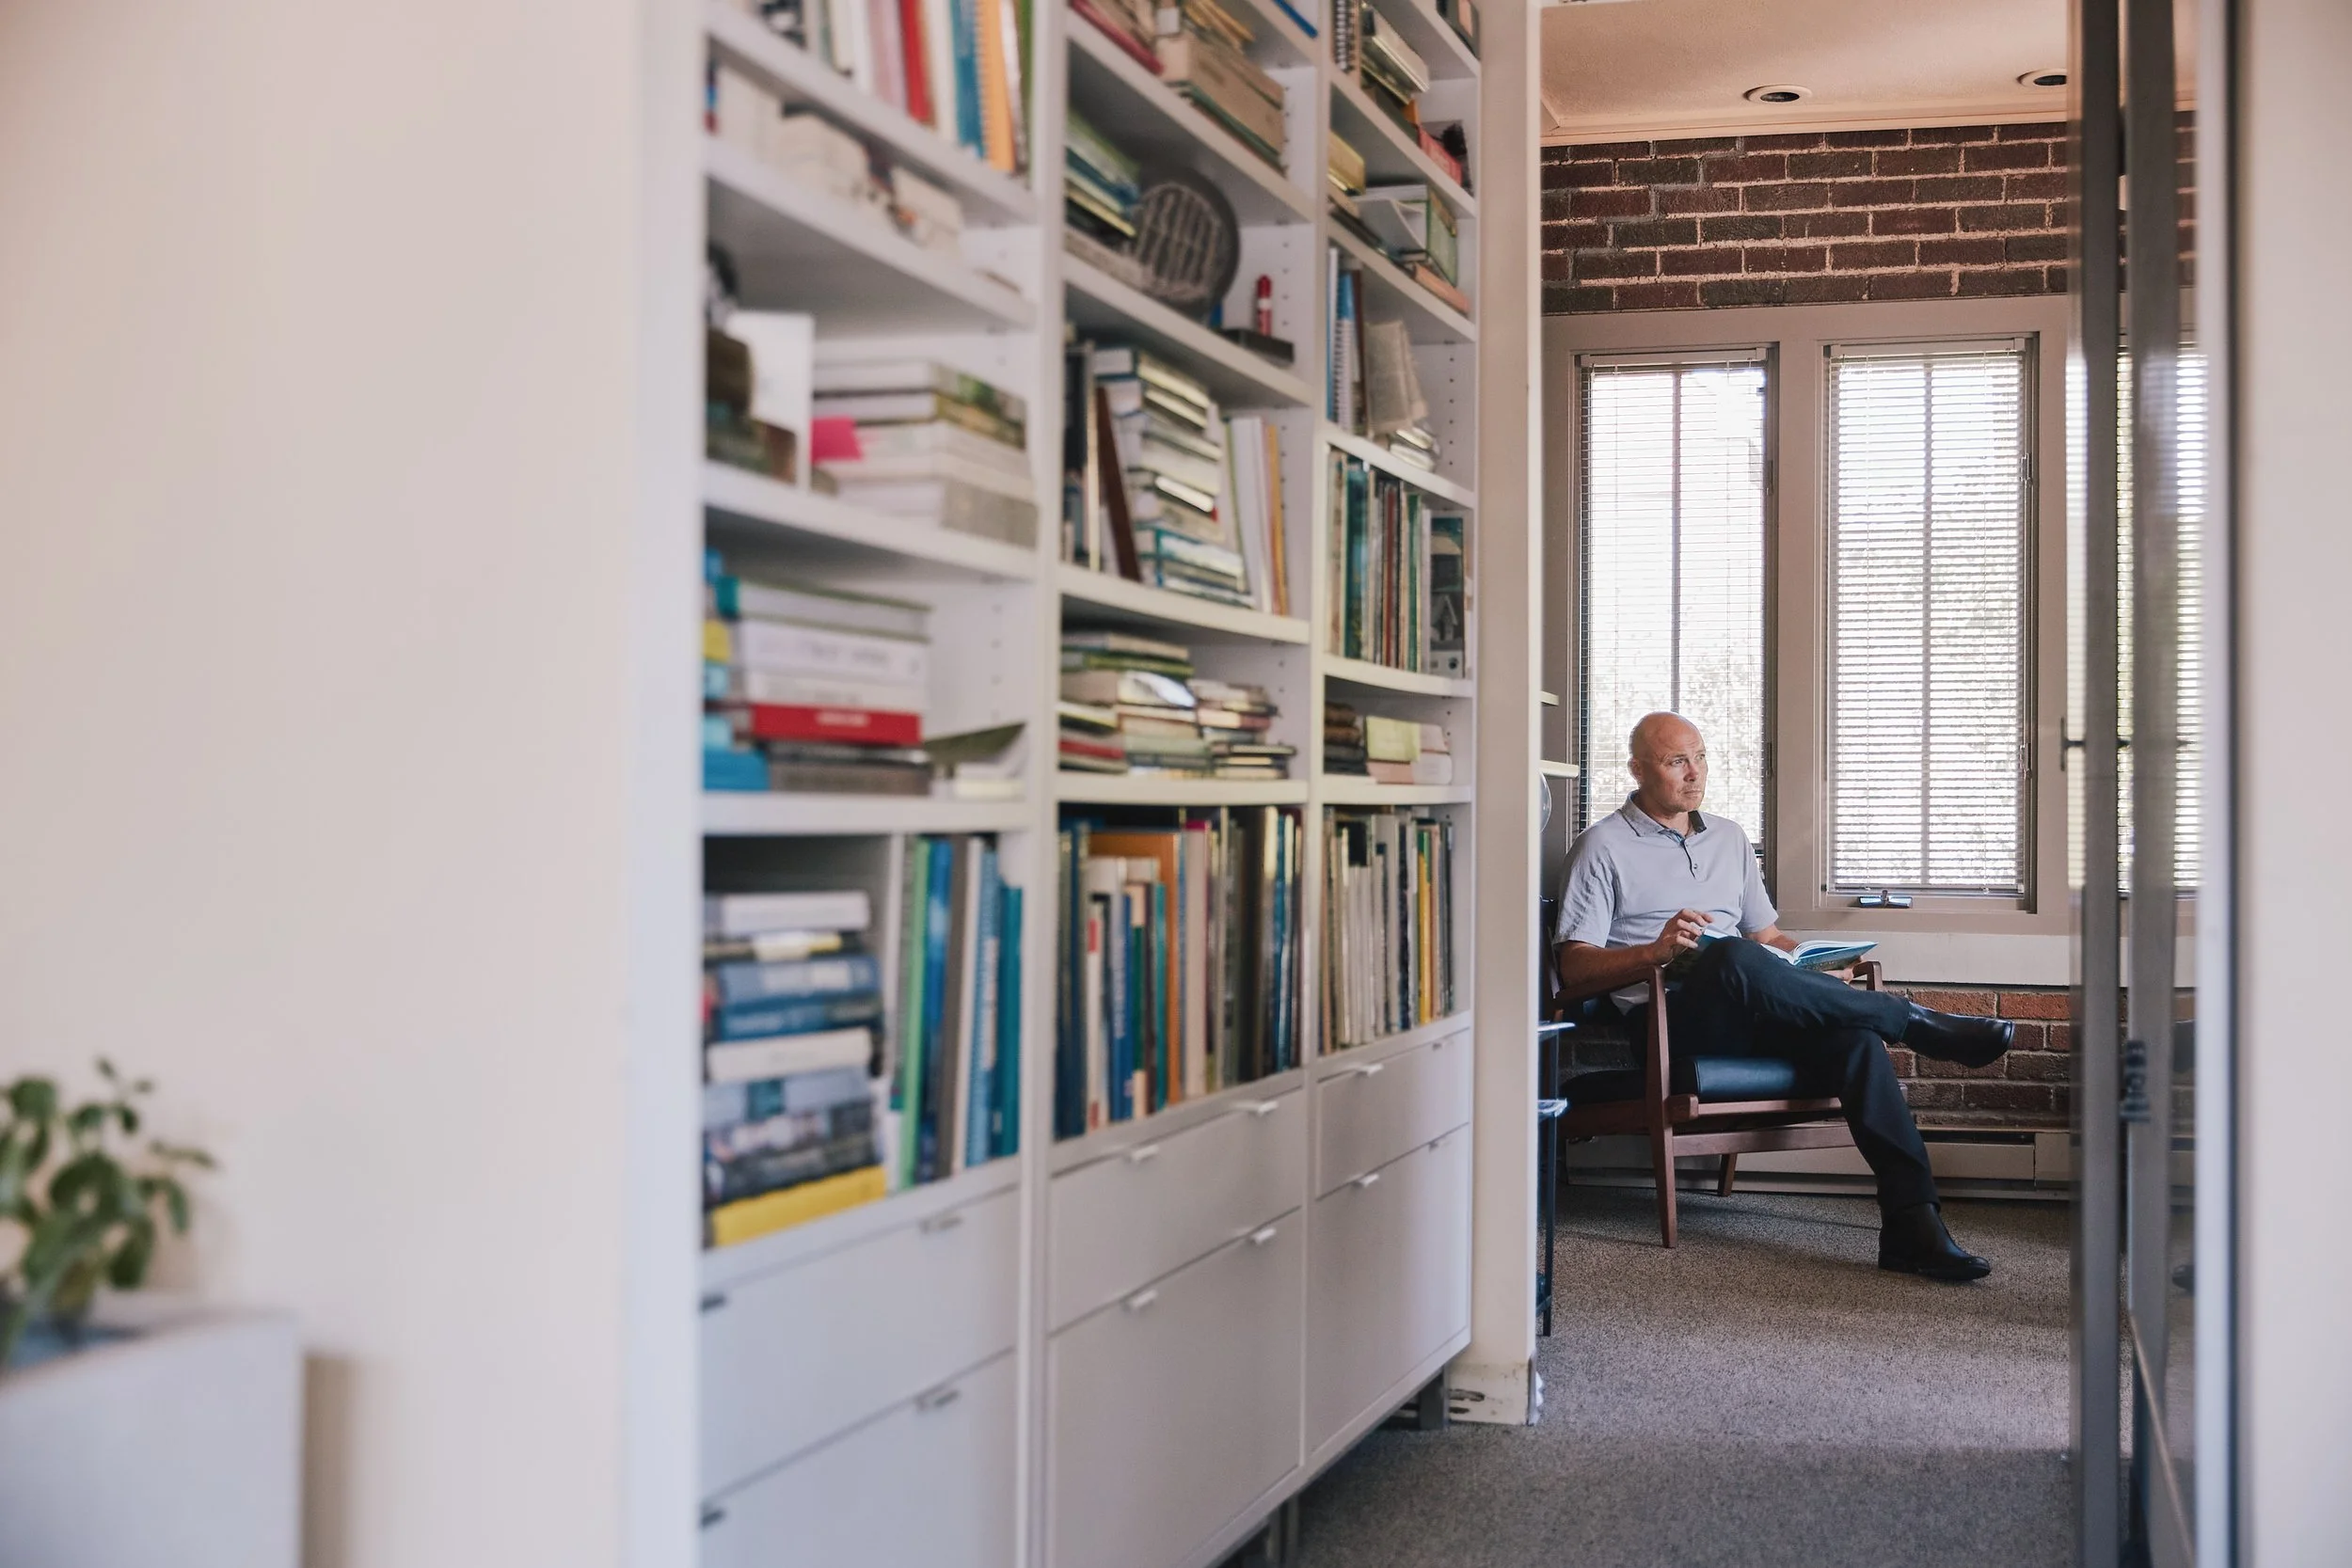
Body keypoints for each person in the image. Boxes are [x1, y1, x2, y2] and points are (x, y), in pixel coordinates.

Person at [1554, 711, 2015, 1282]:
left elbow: (1768, 938)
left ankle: (1913, 1223)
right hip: (1670, 1022)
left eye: (1700, 758)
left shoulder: (1729, 839)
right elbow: (1574, 966)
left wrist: (1818, 970)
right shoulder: (1601, 847)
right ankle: (1912, 1022)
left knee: (1854, 1041)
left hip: (1750, 1009)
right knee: (1728, 955)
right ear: (1637, 770)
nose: (1694, 773)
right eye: (1677, 762)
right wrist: (1656, 950)